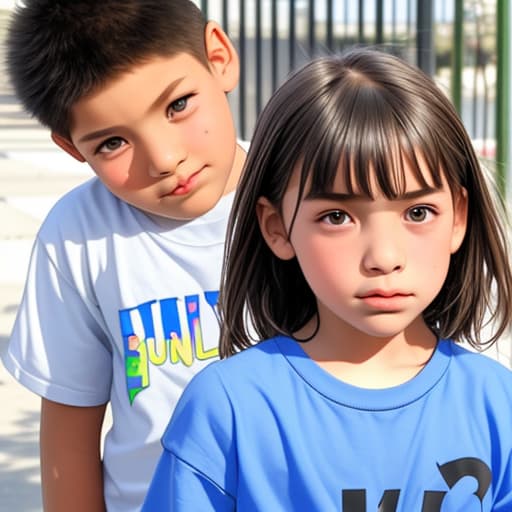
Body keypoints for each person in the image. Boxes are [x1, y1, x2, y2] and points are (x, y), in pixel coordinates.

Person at [142, 48, 512, 511]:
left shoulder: (498, 406)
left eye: (418, 212)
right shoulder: (229, 408)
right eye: (337, 216)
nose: (384, 256)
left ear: (458, 217)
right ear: (277, 227)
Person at [1, 1, 246, 511]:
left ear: (218, 57)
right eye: (113, 142)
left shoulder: (316, 198)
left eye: (178, 105)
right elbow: (69, 430)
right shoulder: (78, 236)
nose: (163, 158)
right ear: (73, 150)